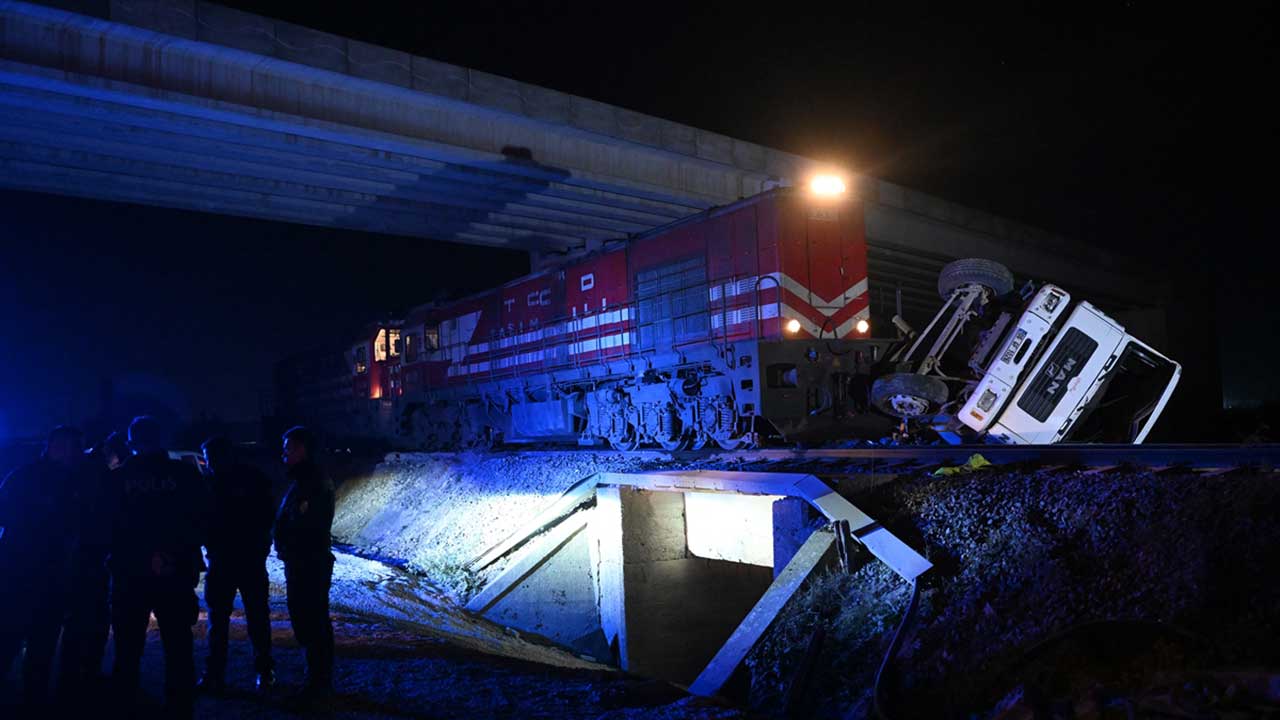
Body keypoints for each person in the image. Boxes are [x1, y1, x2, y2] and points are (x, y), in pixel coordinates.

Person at [109, 416, 208, 718]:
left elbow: (108, 525)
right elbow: (202, 519)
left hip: (131, 573)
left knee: (128, 646)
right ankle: (180, 706)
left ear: (131, 442)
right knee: (178, 645)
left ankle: (125, 703)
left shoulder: (118, 478)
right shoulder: (186, 475)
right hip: (175, 570)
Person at [0, 426, 83, 710]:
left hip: (26, 575)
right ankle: (31, 704)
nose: (72, 453)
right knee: (34, 646)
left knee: (20, 643)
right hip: (35, 576)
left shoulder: (24, 476)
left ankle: (28, 703)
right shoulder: (66, 481)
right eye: (69, 446)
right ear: (54, 446)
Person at [198, 435, 276, 693]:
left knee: (219, 622)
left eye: (210, 459)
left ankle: (216, 674)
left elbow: (203, 522)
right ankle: (264, 673)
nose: (209, 464)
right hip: (246, 560)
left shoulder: (210, 484)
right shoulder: (254, 478)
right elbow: (268, 516)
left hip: (225, 561)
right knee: (255, 619)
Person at [58, 431, 129, 701]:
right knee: (94, 618)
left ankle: (70, 675)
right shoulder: (104, 478)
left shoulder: (76, 474)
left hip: (79, 557)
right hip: (93, 558)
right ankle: (87, 673)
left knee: (78, 619)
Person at [275, 426, 336, 703]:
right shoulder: (303, 481)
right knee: (309, 622)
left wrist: (290, 544)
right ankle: (316, 681)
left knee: (312, 623)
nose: (284, 454)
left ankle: (318, 686)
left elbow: (307, 524)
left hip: (308, 563)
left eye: (289, 448)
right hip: (302, 561)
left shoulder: (312, 483)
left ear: (303, 450)